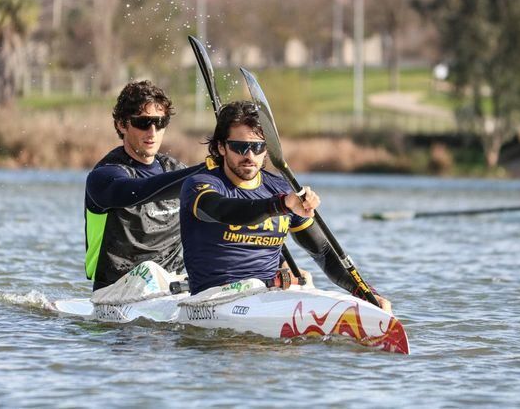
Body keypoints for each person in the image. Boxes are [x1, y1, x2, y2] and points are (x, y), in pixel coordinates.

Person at [179, 101, 392, 313]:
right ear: (221, 147)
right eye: (240, 147)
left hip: (268, 297)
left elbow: (324, 251)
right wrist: (281, 204)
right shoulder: (200, 185)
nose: (250, 156)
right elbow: (223, 211)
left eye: (258, 147)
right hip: (213, 301)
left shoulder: (279, 188)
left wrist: (365, 293)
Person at [84, 80, 205, 291]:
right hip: (115, 291)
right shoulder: (104, 176)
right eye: (143, 123)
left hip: (174, 288)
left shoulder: (176, 170)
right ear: (122, 124)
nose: (152, 131)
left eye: (160, 122)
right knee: (149, 269)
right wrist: (203, 172)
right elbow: (138, 191)